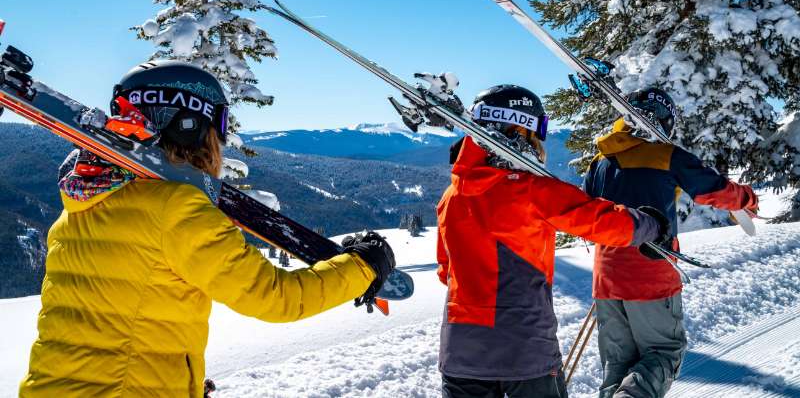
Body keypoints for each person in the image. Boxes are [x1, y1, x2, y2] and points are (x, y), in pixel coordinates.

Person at [19, 60, 395, 397]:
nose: (221, 143)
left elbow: (114, 322)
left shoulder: (81, 205)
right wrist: (364, 266)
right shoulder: (178, 209)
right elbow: (275, 297)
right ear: (190, 127)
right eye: (218, 128)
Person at [436, 84, 671, 398]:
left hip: (460, 353)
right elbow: (602, 221)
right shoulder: (532, 190)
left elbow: (445, 270)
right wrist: (652, 225)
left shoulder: (450, 197)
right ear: (520, 128)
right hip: (525, 350)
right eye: (539, 132)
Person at [584, 86, 758, 398]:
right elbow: (713, 190)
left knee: (617, 365)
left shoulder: (600, 161)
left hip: (605, 276)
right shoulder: (666, 156)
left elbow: (587, 210)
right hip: (650, 270)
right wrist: (747, 199)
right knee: (664, 352)